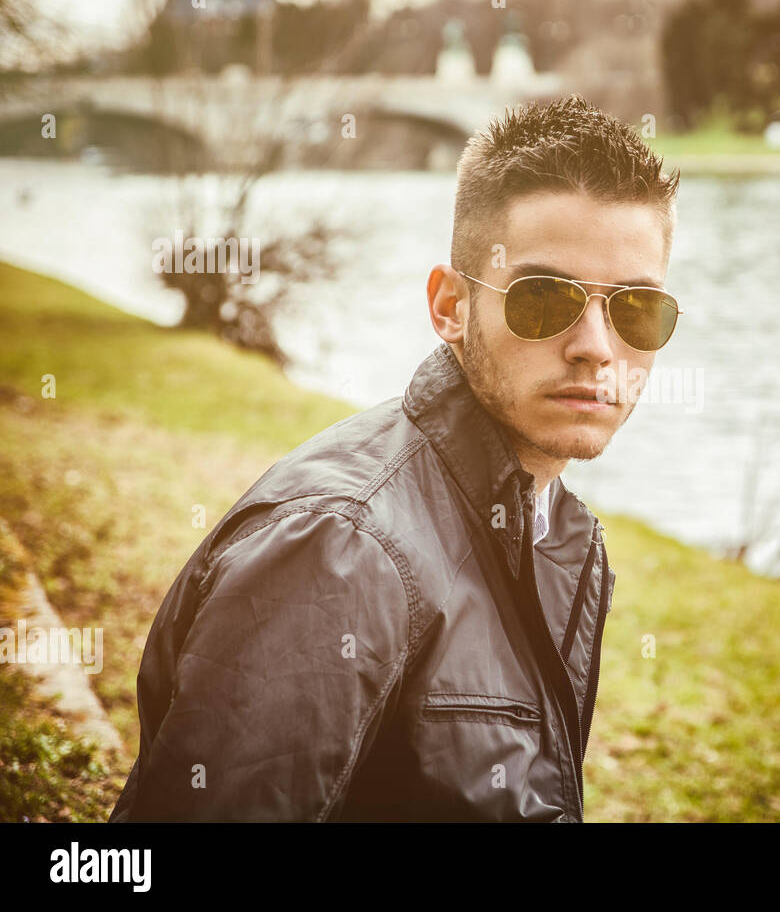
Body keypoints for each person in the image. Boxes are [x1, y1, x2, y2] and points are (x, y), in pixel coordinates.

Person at [109, 94, 682, 821]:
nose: (598, 347)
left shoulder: (553, 526)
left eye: (637, 308)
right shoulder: (342, 550)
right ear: (449, 306)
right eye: (543, 300)